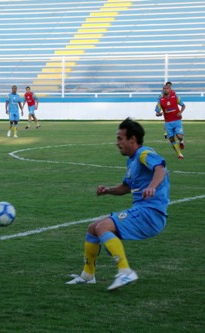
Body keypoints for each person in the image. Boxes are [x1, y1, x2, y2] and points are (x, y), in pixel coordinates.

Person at [67, 118, 169, 291]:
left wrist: (152, 187)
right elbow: (126, 187)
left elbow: (161, 168)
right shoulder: (132, 160)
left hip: (151, 213)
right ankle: (87, 275)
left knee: (103, 228)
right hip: (141, 210)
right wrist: (107, 190)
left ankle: (125, 271)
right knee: (93, 228)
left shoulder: (144, 153)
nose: (117, 143)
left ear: (133, 139)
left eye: (120, 138)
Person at [155, 84, 186, 159]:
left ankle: (181, 141)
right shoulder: (160, 100)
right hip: (168, 123)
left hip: (177, 120)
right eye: (164, 88)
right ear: (162, 90)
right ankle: (179, 154)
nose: (165, 89)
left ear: (170, 89)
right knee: (171, 139)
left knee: (179, 136)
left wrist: (180, 112)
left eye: (167, 88)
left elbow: (183, 105)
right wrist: (159, 114)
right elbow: (157, 112)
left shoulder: (175, 97)